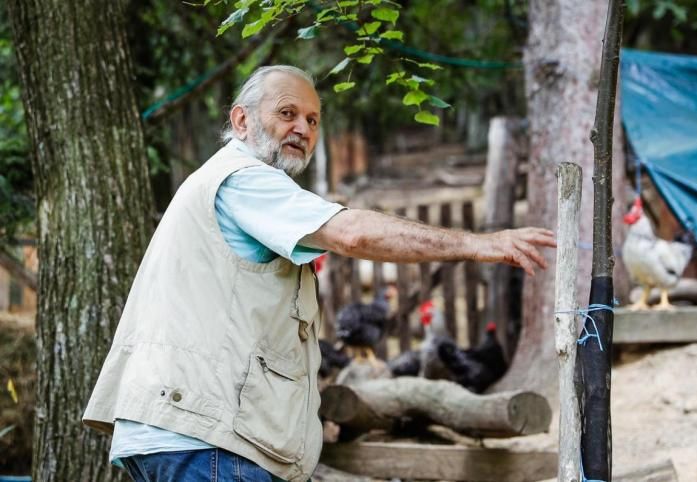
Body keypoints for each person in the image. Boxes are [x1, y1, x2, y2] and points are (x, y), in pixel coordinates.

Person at [83, 65, 556, 482]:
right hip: (207, 439)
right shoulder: (243, 179)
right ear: (241, 120)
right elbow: (350, 233)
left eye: (312, 120)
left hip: (178, 429)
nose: (302, 128)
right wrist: (477, 244)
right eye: (287, 113)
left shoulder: (223, 183)